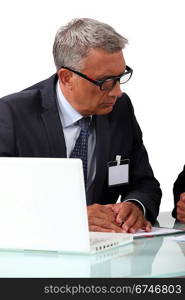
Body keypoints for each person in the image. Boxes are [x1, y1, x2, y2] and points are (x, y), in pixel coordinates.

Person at [0, 18, 162, 233]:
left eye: (120, 77)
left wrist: (136, 206)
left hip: (106, 252)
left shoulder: (120, 109)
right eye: (105, 82)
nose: (117, 92)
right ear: (67, 78)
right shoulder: (12, 115)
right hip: (37, 253)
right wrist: (69, 218)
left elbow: (145, 183)